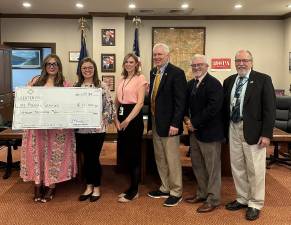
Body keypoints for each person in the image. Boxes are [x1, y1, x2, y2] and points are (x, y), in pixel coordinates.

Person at [223, 50, 276, 221]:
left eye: (245, 60)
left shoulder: (263, 79)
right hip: (233, 127)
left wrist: (266, 134)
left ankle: (255, 203)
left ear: (252, 62)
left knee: (255, 168)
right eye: (238, 60)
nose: (241, 64)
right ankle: (242, 198)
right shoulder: (229, 81)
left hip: (253, 131)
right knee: (237, 166)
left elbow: (270, 109)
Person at [20, 54, 77, 203]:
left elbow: (70, 106)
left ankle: (51, 185)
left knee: (53, 156)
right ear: (45, 66)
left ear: (59, 67)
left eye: (55, 64)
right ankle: (38, 185)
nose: (52, 66)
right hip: (37, 128)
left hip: (57, 130)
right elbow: (26, 102)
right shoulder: (35, 82)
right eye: (49, 64)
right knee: (37, 155)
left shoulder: (65, 85)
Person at [147, 43, 187, 207]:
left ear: (168, 55)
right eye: (155, 55)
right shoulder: (153, 72)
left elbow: (180, 102)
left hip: (171, 125)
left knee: (172, 159)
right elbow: (153, 100)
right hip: (157, 122)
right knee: (160, 157)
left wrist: (175, 123)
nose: (157, 57)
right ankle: (165, 187)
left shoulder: (177, 73)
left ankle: (176, 192)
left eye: (160, 55)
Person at [184, 54, 224, 213]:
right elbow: (186, 105)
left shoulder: (214, 84)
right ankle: (201, 193)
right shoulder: (191, 84)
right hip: (195, 133)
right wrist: (187, 119)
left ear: (207, 66)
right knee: (198, 165)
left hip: (210, 134)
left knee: (212, 168)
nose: (196, 68)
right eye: (193, 65)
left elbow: (213, 109)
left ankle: (213, 199)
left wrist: (194, 122)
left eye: (199, 65)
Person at [75, 57, 116, 202]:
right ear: (80, 70)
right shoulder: (76, 86)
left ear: (94, 69)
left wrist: (100, 116)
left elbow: (110, 107)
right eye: (84, 68)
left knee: (93, 158)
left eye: (90, 68)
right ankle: (89, 186)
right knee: (86, 158)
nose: (87, 70)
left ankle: (97, 187)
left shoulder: (102, 86)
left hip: (97, 129)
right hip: (81, 130)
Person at [115, 53, 147, 203]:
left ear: (136, 64)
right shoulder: (121, 79)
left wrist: (127, 120)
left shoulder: (140, 79)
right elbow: (117, 101)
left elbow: (140, 103)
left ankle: (134, 190)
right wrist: (115, 118)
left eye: (131, 62)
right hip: (121, 117)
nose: (128, 64)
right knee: (125, 154)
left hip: (133, 119)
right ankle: (130, 187)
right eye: (126, 62)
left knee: (134, 155)